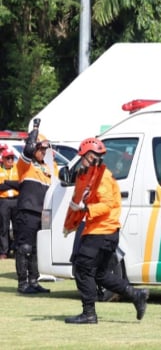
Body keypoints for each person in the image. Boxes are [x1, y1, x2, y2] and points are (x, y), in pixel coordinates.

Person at [65, 138, 149, 324]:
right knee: (101, 274)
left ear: (91, 157)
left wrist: (86, 210)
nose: (81, 160)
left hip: (100, 231)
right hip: (106, 232)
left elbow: (107, 204)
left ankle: (89, 313)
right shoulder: (94, 174)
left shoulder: (102, 177)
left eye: (83, 157)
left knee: (82, 269)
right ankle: (136, 295)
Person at [14, 128, 57, 294]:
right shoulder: (25, 166)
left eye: (44, 149)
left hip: (44, 213)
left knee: (38, 250)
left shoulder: (48, 167)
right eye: (40, 149)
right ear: (33, 148)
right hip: (28, 211)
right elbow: (26, 154)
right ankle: (22, 283)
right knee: (25, 248)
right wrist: (30, 142)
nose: (43, 152)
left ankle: (34, 280)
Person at [0, 149, 19, 259]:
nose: (11, 160)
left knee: (17, 227)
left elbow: (20, 184)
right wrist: (12, 184)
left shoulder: (16, 168)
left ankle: (16, 250)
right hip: (4, 201)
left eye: (12, 158)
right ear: (3, 159)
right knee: (4, 227)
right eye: (8, 158)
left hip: (16, 200)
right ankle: (4, 251)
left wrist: (6, 183)